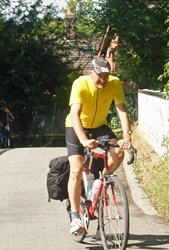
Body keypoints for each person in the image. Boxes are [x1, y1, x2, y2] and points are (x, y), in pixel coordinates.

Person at [65, 57, 133, 234]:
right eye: (99, 76)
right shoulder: (80, 83)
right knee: (77, 169)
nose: (103, 80)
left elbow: (121, 109)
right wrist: (84, 140)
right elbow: (75, 114)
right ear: (90, 73)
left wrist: (127, 135)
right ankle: (74, 216)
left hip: (100, 126)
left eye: (106, 76)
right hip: (76, 126)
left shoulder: (114, 83)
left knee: (118, 152)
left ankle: (99, 182)